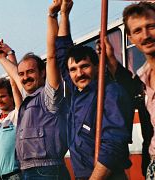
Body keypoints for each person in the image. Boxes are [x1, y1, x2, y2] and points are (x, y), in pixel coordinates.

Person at [53, 0, 133, 179]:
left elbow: (113, 145)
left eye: (85, 66)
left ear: (97, 67)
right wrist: (64, 14)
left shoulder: (110, 92)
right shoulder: (75, 92)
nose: (79, 73)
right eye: (73, 69)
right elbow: (62, 51)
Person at [0, 2, 69, 179]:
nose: (25, 77)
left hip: (47, 170)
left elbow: (51, 55)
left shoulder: (49, 95)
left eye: (30, 72)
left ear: (43, 73)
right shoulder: (30, 97)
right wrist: (2, 57)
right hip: (28, 170)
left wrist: (52, 16)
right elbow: (15, 73)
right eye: (22, 74)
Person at [121, 2, 155, 177]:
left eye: (151, 26)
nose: (146, 35)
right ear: (130, 38)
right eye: (138, 31)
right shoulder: (141, 78)